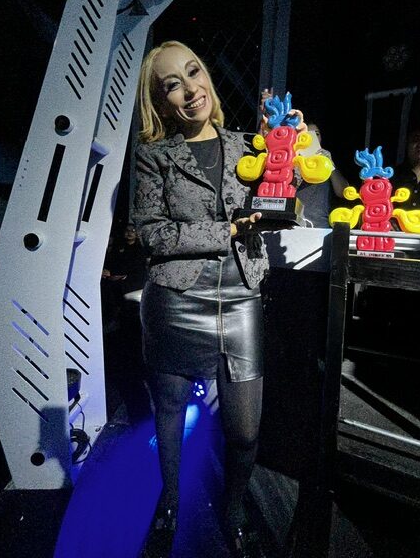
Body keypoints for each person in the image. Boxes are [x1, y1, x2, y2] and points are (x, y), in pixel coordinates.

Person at [132, 41, 279, 558]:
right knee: (170, 412)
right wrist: (227, 231)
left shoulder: (250, 145)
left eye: (193, 72)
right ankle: (170, 503)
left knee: (245, 431)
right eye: (172, 84)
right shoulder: (153, 155)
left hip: (241, 299)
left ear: (206, 77)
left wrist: (290, 141)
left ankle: (233, 506)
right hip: (175, 298)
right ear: (161, 101)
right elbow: (151, 233)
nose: (189, 89)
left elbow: (294, 186)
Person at [297, 123, 349, 228]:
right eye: (308, 134)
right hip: (294, 224)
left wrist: (330, 164)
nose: (313, 138)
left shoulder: (326, 161)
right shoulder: (294, 160)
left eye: (316, 134)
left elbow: (344, 192)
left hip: (320, 225)